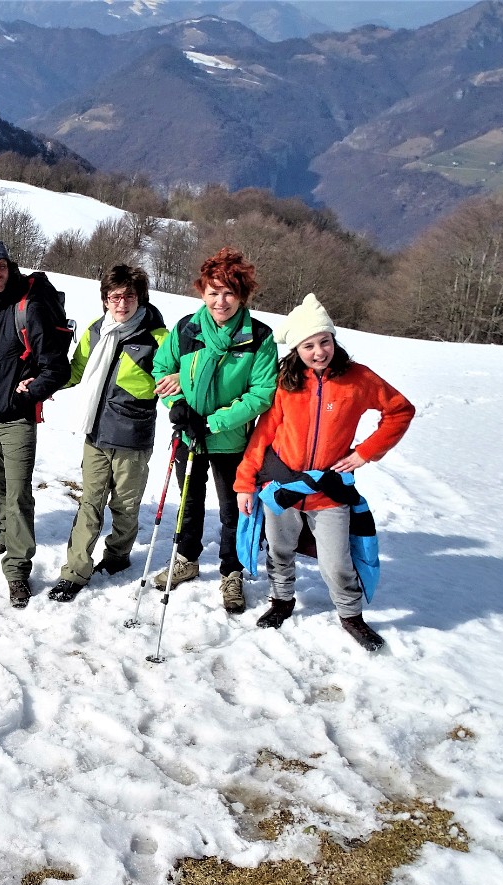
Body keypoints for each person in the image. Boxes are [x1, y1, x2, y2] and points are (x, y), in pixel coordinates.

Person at [235, 294, 415, 651]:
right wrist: (245, 483)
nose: (319, 352)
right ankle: (282, 600)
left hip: (327, 490)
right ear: (297, 350)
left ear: (334, 339)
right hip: (282, 486)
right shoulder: (287, 384)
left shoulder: (358, 379)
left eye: (324, 342)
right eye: (309, 346)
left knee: (336, 561)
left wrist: (366, 452)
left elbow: (400, 411)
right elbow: (264, 434)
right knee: (279, 549)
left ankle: (350, 615)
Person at [151, 247, 277, 613]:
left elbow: (261, 394)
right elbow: (162, 369)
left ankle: (231, 572)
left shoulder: (258, 337)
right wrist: (178, 409)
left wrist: (212, 421)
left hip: (230, 440)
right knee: (188, 503)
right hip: (188, 435)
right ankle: (187, 559)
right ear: (201, 291)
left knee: (231, 511)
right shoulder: (187, 329)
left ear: (241, 295)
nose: (220, 301)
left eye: (228, 293)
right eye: (212, 291)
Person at [0, 235, 72, 609]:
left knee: (18, 492)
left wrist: (27, 393)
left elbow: (57, 367)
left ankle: (18, 569)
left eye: (1, 266)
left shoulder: (30, 307)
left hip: (17, 420)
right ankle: (6, 535)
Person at [49, 265, 168, 602]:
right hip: (96, 434)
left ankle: (117, 556)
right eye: (115, 296)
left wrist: (182, 407)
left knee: (126, 507)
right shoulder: (96, 330)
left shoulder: (158, 338)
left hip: (133, 438)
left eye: (129, 296)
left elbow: (171, 385)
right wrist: (42, 384)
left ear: (139, 298)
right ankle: (74, 573)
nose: (122, 303)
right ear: (105, 300)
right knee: (90, 504)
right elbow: (76, 371)